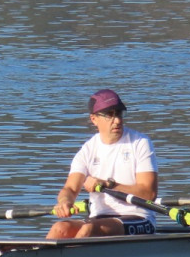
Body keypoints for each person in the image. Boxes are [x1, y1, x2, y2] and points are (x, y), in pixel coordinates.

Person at [47, 88, 159, 239]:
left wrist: (108, 185)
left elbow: (149, 193)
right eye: (109, 115)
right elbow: (70, 188)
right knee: (60, 228)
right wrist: (64, 202)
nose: (117, 120)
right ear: (94, 119)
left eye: (118, 113)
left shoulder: (140, 143)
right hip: (98, 218)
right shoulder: (88, 149)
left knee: (89, 230)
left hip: (138, 217)